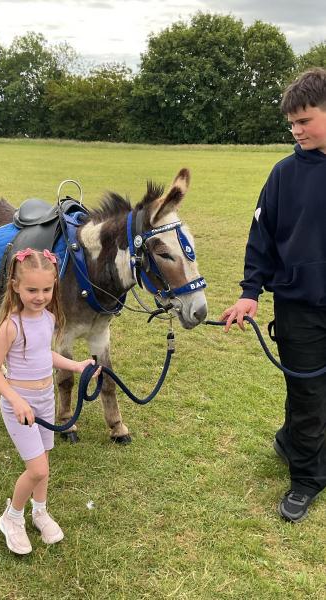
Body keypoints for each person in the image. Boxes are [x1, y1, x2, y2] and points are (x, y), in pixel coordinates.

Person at [221, 67, 326, 523]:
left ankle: (290, 441)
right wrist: (250, 292)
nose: (296, 130)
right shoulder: (284, 174)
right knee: (307, 393)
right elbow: (261, 238)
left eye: (304, 120)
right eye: (291, 123)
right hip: (298, 307)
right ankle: (306, 479)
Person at [0, 247, 99, 554]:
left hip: (45, 400)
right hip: (20, 406)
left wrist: (76, 365)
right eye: (32, 290)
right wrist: (15, 400)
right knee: (36, 469)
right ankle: (12, 517)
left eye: (47, 290)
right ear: (16, 287)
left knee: (44, 463)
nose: (40, 296)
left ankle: (40, 511)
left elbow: (43, 354)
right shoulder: (10, 326)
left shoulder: (48, 319)